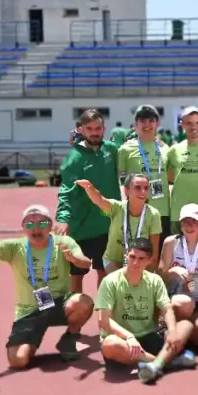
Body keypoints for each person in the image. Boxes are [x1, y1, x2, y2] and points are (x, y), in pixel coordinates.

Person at [0, 206, 94, 367]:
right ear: (23, 227)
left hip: (59, 303)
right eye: (30, 224)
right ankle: (32, 338)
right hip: (29, 310)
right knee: (18, 361)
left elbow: (86, 262)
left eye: (42, 223)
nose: (36, 228)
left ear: (50, 225)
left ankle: (69, 339)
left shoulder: (63, 242)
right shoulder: (15, 247)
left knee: (83, 303)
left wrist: (74, 259)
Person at [95, 238, 198, 384]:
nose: (135, 262)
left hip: (148, 336)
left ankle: (153, 366)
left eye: (141, 259)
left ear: (149, 260)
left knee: (185, 326)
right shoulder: (110, 281)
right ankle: (163, 362)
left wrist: (173, 331)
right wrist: (129, 336)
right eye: (132, 257)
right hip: (123, 340)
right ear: (126, 256)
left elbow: (166, 308)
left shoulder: (155, 280)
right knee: (109, 344)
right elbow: (103, 321)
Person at [54, 109, 119, 293]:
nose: (94, 132)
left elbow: (130, 137)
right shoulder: (74, 157)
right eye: (89, 128)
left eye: (98, 128)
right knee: (76, 274)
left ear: (104, 128)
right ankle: (76, 319)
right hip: (81, 227)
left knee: (105, 272)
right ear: (81, 129)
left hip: (108, 225)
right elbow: (66, 190)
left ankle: (102, 317)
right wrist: (63, 217)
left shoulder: (111, 150)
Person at [75, 174, 162, 273]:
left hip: (140, 261)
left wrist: (149, 279)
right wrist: (89, 187)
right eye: (137, 187)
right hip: (113, 260)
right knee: (121, 279)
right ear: (127, 190)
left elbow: (154, 253)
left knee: (135, 282)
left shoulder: (153, 214)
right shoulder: (117, 208)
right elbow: (99, 200)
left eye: (146, 188)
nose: (143, 191)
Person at [117, 104, 173, 248]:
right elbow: (115, 177)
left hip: (162, 212)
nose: (147, 125)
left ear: (157, 123)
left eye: (151, 120)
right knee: (136, 255)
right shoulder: (125, 149)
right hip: (137, 212)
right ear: (135, 124)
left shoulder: (165, 149)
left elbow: (171, 177)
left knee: (159, 256)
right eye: (142, 121)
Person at [159, 203, 198, 322]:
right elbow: (160, 277)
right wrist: (173, 271)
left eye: (194, 222)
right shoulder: (171, 243)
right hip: (177, 300)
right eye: (185, 221)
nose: (189, 226)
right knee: (185, 304)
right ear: (180, 224)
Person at [167, 106, 198, 239]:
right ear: (182, 125)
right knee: (177, 258)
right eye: (189, 123)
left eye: (197, 122)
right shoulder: (174, 150)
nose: (193, 127)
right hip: (179, 214)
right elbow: (169, 177)